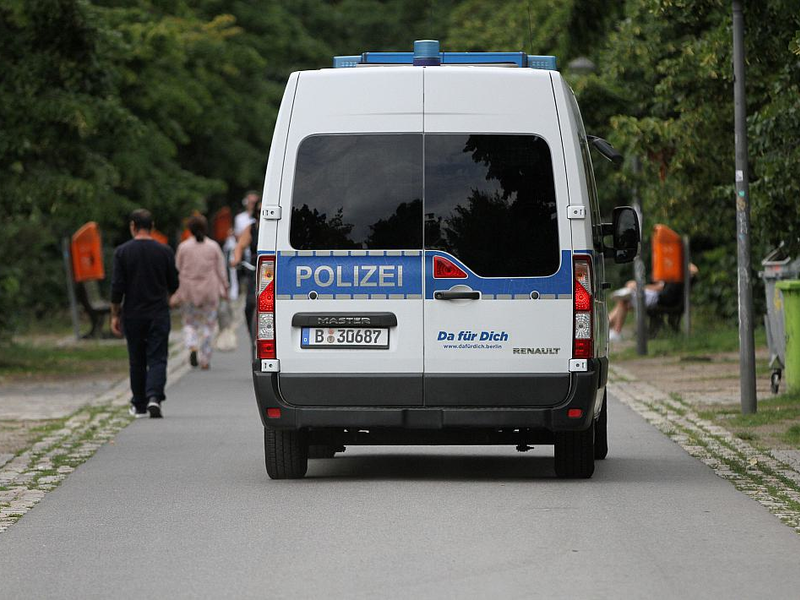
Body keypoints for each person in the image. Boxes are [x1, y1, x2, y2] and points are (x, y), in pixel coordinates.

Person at [110, 209, 179, 419]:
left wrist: (115, 314)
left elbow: (117, 287)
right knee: (158, 357)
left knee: (137, 359)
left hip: (133, 313)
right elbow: (174, 284)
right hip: (158, 312)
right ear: (152, 226)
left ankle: (138, 404)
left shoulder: (122, 252)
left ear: (132, 226)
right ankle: (154, 398)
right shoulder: (164, 251)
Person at [174, 215, 229, 370]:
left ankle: (192, 344)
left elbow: (178, 267)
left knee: (190, 322)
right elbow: (221, 269)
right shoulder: (213, 246)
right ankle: (205, 359)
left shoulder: (183, 247)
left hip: (188, 290)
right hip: (209, 290)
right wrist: (225, 287)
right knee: (209, 325)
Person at [608, 263, 698, 341]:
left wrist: (639, 287)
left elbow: (694, 270)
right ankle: (610, 327)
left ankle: (614, 330)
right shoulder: (669, 271)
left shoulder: (676, 272)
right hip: (658, 297)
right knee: (623, 301)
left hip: (660, 299)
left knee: (623, 300)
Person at [231, 200, 260, 338]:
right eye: (259, 212)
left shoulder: (278, 226)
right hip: (256, 268)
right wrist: (236, 259)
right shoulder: (251, 228)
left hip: (275, 269)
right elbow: (239, 246)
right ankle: (252, 335)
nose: (262, 214)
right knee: (250, 303)